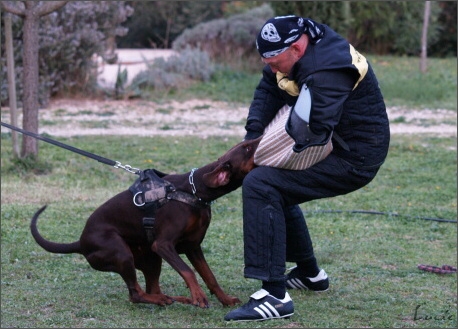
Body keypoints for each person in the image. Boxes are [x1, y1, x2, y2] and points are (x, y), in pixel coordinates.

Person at [224, 15, 390, 322]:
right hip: (334, 141)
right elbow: (268, 89)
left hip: (354, 156)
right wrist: (252, 139)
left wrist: (264, 157)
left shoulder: (329, 69)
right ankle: (311, 275)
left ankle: (275, 297)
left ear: (298, 49)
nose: (272, 68)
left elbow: (311, 130)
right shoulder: (294, 51)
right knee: (272, 185)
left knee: (262, 184)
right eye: (267, 61)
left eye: (276, 62)